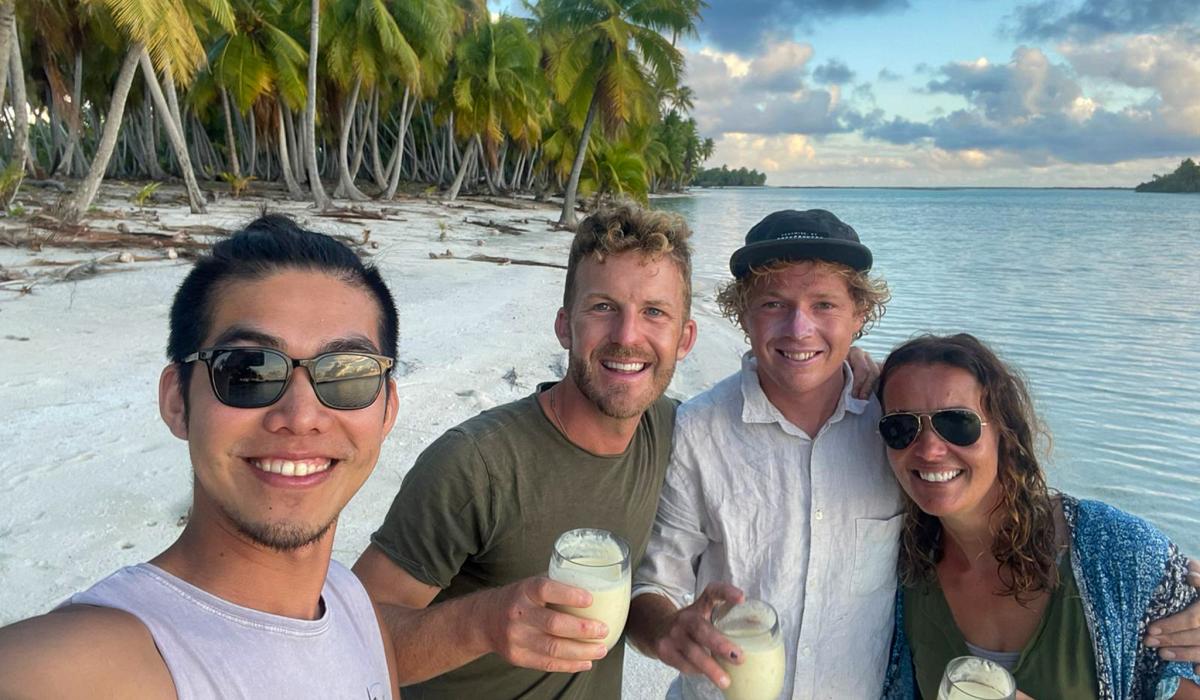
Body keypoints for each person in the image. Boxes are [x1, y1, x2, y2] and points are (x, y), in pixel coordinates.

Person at [0, 215, 400, 698]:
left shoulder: (351, 603)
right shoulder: (87, 662)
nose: (301, 416)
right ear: (177, 402)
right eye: (247, 370)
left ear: (387, 410)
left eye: (346, 375)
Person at [353, 204, 698, 699]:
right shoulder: (476, 465)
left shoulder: (676, 430)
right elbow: (347, 638)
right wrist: (481, 624)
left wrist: (849, 378)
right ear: (564, 326)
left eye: (654, 313)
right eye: (603, 307)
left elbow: (764, 414)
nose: (627, 337)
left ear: (684, 338)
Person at [627, 209, 900, 698]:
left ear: (859, 315)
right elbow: (654, 585)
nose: (799, 328)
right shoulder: (696, 429)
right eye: (774, 303)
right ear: (742, 314)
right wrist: (668, 630)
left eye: (824, 305)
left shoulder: (895, 428)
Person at [876, 333, 1200, 699]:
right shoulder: (902, 566)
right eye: (901, 427)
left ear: (1005, 431)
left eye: (957, 423)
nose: (930, 450)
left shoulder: (1120, 555)